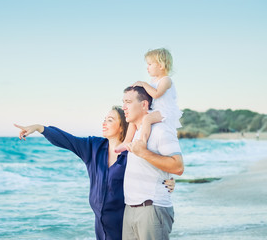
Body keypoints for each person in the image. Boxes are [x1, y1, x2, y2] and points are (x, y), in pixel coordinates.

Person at [14, 106, 176, 240]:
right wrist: (39, 128)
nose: (104, 123)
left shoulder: (131, 152)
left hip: (124, 224)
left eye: (110, 120)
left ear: (122, 127)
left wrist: (169, 179)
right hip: (101, 225)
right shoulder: (93, 146)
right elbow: (67, 140)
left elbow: (155, 166)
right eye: (104, 119)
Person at [121, 86, 184, 240]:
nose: (124, 107)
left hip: (152, 208)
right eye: (123, 102)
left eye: (128, 102)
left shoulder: (160, 130)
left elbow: (178, 166)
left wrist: (144, 153)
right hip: (130, 208)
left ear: (144, 105)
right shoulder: (136, 133)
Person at [115, 48, 182, 153]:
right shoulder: (153, 80)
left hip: (165, 111)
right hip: (155, 109)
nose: (147, 67)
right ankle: (126, 141)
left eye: (150, 64)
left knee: (146, 119)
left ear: (160, 65)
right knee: (134, 119)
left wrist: (143, 84)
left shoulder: (166, 80)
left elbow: (156, 94)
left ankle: (142, 141)